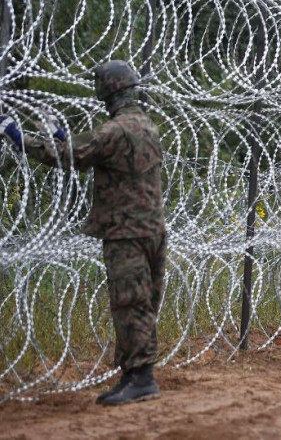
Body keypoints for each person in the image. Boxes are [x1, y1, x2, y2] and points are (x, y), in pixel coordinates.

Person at [0, 60, 166, 405]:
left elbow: (64, 156)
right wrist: (63, 135)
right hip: (151, 228)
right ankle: (133, 376)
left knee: (129, 304)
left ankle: (141, 378)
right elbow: (91, 153)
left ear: (107, 90)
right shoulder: (146, 126)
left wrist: (17, 137)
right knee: (142, 303)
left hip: (126, 231)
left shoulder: (114, 131)